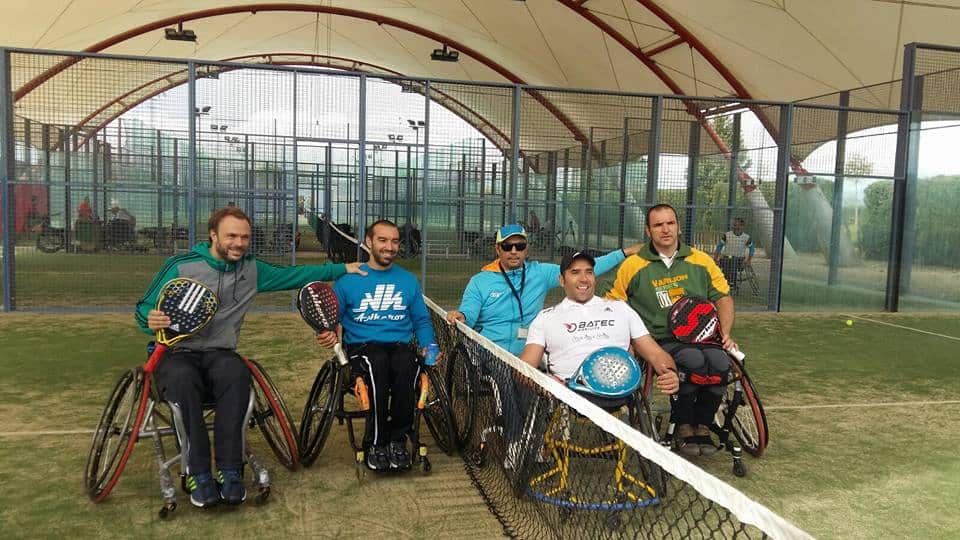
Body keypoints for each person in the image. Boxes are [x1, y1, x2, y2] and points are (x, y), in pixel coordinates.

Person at [135, 207, 365, 508]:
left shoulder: (251, 269)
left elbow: (295, 274)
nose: (239, 243)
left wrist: (341, 269)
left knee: (237, 375)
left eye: (244, 237)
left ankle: (231, 470)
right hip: (177, 352)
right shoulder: (180, 265)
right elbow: (143, 307)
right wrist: (149, 319)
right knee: (182, 380)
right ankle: (198, 473)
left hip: (220, 353)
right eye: (231, 236)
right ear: (213, 235)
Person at [602, 204, 735, 457]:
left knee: (720, 363)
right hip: (660, 338)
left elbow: (724, 298)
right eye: (658, 225)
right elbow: (612, 301)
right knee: (693, 360)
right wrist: (627, 337)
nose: (665, 229)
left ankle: (703, 424)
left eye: (670, 223)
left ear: (678, 227)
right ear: (648, 231)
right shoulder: (634, 264)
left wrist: (725, 331)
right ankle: (684, 424)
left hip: (705, 335)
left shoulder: (700, 260)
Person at [315, 219, 437, 472]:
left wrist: (428, 345)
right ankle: (376, 443)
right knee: (376, 363)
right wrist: (328, 333)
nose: (389, 247)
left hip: (399, 346)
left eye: (394, 241)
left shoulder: (408, 280)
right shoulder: (348, 281)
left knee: (408, 364)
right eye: (383, 240)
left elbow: (421, 320)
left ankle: (397, 440)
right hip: (362, 348)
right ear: (369, 242)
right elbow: (331, 319)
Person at [446, 223, 643, 356]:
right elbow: (469, 312)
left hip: (532, 350)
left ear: (526, 249)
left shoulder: (539, 273)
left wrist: (624, 253)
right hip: (491, 353)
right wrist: (462, 316)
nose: (514, 251)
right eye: (507, 246)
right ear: (498, 249)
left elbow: (583, 268)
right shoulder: (480, 281)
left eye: (520, 245)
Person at [519, 251, 679, 394]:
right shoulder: (545, 317)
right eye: (575, 272)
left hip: (620, 392)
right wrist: (544, 383)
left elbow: (655, 353)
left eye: (589, 272)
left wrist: (670, 372)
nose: (583, 279)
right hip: (568, 395)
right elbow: (524, 370)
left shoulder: (620, 308)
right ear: (562, 280)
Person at [713, 218, 755, 293]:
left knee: (733, 261)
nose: (735, 226)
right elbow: (719, 246)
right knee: (727, 260)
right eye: (734, 224)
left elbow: (752, 249)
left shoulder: (746, 237)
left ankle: (731, 282)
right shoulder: (727, 235)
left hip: (739, 260)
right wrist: (715, 258)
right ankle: (727, 282)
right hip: (727, 258)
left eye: (737, 225)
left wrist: (748, 260)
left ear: (742, 226)